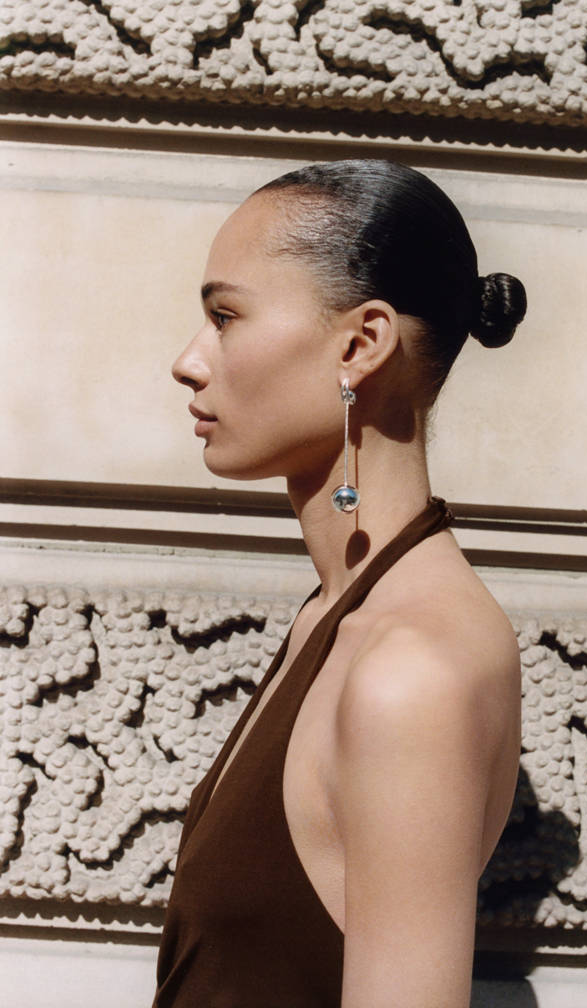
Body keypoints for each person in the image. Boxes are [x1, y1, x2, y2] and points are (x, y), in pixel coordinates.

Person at [153, 159, 525, 1008]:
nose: (188, 361)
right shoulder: (339, 614)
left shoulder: (412, 668)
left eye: (225, 317)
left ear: (360, 346)